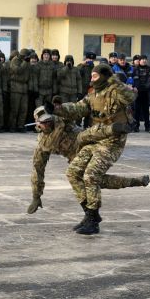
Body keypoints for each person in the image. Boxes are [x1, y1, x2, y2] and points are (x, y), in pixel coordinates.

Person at [28, 105, 150, 232]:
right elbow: (38, 169)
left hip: (91, 145)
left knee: (91, 178)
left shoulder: (62, 120)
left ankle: (92, 218)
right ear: (37, 124)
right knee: (95, 181)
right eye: (44, 123)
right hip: (76, 159)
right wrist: (36, 196)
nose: (47, 124)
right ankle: (91, 214)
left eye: (49, 121)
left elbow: (74, 110)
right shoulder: (42, 144)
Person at [48, 63, 138, 235]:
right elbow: (77, 109)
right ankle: (90, 215)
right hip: (95, 138)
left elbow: (130, 97)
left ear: (104, 76)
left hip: (113, 141)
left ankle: (93, 221)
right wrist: (58, 109)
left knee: (91, 175)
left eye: (95, 76)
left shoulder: (116, 91)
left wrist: (114, 80)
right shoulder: (92, 94)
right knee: (73, 172)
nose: (91, 78)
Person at [9, 48, 31, 132]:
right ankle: (12, 126)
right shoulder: (15, 60)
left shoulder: (27, 62)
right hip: (15, 87)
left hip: (24, 88)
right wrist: (25, 62)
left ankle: (20, 126)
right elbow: (18, 70)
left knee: (23, 109)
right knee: (15, 109)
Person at [133, 55, 150, 132]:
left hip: (146, 92)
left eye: (145, 59)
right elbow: (132, 79)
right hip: (137, 92)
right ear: (139, 60)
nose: (144, 60)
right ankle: (136, 126)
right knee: (137, 110)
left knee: (146, 110)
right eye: (142, 59)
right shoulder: (135, 69)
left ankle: (147, 126)